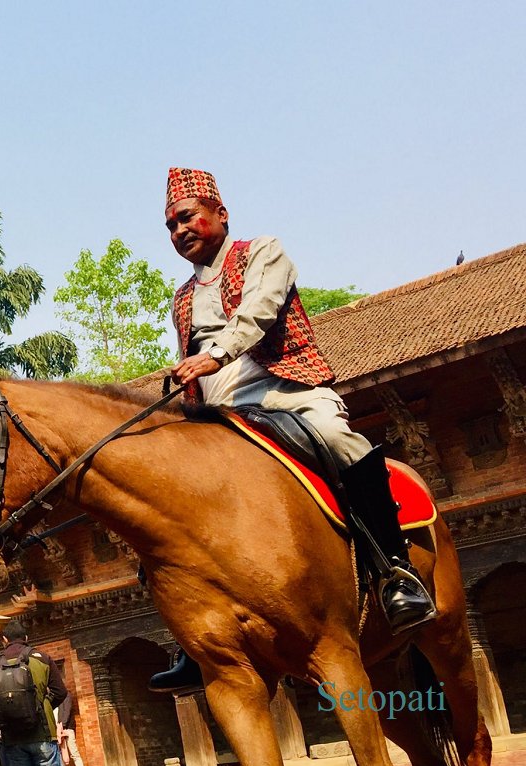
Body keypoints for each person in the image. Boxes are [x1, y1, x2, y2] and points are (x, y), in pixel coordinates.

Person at [150, 167, 437, 693]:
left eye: (187, 216)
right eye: (170, 225)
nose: (179, 230)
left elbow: (260, 312)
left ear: (220, 214)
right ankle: (193, 638)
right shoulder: (183, 297)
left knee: (339, 440)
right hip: (221, 414)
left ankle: (396, 572)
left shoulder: (264, 251)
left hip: (287, 391)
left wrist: (212, 356)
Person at [0, 620, 67, 766]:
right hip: (43, 732)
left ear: (4, 640)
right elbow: (60, 692)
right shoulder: (42, 658)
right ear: (26, 638)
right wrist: (44, 706)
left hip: (12, 737)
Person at [53, 694, 88, 766]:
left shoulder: (66, 696)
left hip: (67, 728)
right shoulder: (54, 698)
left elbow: (66, 712)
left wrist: (62, 726)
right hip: (58, 729)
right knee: (60, 755)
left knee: (74, 753)